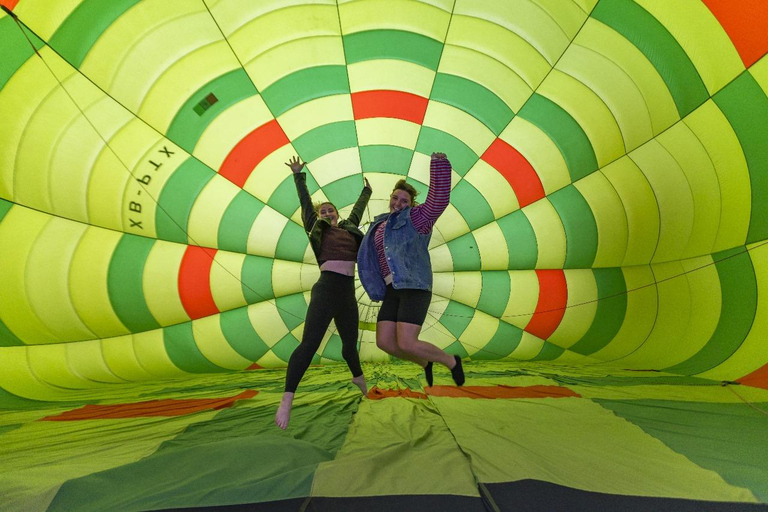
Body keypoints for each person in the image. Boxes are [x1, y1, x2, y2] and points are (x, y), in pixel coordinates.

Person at [275, 156, 371, 429]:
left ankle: (359, 380)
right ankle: (287, 398)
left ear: (337, 214)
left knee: (350, 346)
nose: (328, 213)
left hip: (347, 293)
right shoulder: (316, 229)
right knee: (309, 344)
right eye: (323, 212)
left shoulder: (349, 228)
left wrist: (367, 191)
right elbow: (306, 205)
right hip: (327, 288)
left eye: (331, 210)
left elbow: (359, 212)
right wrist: (298, 175)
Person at [357, 152, 464, 387]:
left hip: (414, 286)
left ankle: (451, 361)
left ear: (411, 205)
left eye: (404, 201)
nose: (398, 203)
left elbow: (438, 201)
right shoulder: (378, 224)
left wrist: (439, 166)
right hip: (391, 289)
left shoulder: (417, 218)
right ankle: (425, 363)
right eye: (395, 198)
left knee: (406, 342)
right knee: (385, 342)